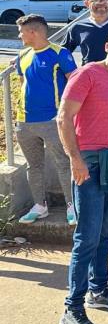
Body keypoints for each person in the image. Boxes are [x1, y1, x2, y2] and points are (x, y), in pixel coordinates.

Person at [57, 29, 108, 324]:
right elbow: (63, 117)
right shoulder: (87, 73)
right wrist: (75, 159)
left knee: (105, 232)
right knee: (87, 236)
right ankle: (72, 308)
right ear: (107, 45)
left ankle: (98, 290)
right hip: (90, 161)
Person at [14, 14, 77, 225]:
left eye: (22, 31)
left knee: (63, 162)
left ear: (34, 32)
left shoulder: (60, 53)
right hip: (25, 122)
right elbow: (24, 85)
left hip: (52, 119)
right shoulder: (22, 55)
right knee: (34, 166)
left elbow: (74, 84)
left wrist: (67, 114)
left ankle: (72, 206)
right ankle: (39, 206)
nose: (19, 35)